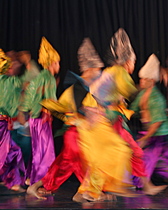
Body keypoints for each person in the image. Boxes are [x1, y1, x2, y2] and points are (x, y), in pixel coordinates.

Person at [91, 28, 167, 197]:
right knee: (126, 152)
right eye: (133, 62)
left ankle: (103, 189)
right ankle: (113, 187)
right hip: (111, 120)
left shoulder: (109, 71)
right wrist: (148, 82)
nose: (133, 65)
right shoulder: (119, 71)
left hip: (107, 119)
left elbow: (97, 92)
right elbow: (131, 93)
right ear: (127, 62)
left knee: (126, 152)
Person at [26, 38, 104, 199]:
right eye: (96, 70)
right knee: (83, 162)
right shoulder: (77, 88)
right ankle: (85, 192)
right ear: (89, 70)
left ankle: (40, 186)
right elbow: (74, 111)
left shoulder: (84, 88)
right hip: (75, 133)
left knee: (65, 164)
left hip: (76, 133)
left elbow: (65, 108)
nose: (98, 73)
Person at [130, 54, 168, 191]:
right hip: (149, 132)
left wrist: (146, 137)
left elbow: (157, 122)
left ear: (151, 80)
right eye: (141, 79)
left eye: (144, 79)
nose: (141, 82)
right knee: (161, 162)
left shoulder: (157, 99)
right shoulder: (143, 94)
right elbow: (133, 110)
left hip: (156, 134)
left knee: (145, 158)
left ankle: (145, 185)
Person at [18, 37, 59, 185]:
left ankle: (30, 178)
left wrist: (26, 110)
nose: (58, 65)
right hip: (42, 119)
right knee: (45, 152)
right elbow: (51, 101)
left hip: (34, 119)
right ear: (51, 63)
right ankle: (40, 182)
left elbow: (29, 95)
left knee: (38, 150)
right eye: (57, 62)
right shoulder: (49, 78)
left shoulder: (39, 77)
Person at [0, 49, 26, 192]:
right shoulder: (11, 82)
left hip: (4, 123)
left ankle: (14, 182)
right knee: (10, 152)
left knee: (13, 150)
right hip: (2, 123)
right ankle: (14, 182)